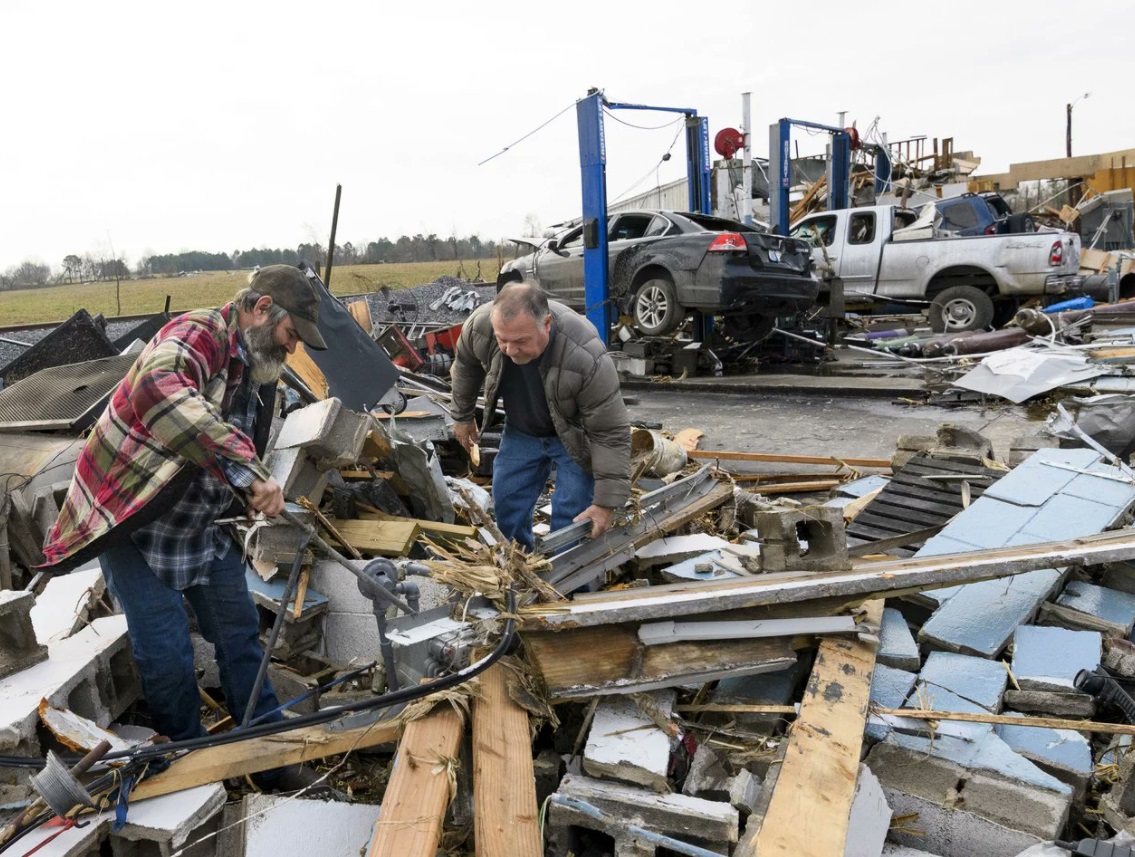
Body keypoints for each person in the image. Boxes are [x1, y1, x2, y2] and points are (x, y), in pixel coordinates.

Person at [41, 265, 327, 792]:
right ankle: (190, 769)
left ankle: (265, 754)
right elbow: (158, 389)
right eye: (290, 337)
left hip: (198, 523)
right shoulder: (198, 334)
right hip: (133, 518)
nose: (291, 352)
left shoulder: (257, 373)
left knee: (240, 633)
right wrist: (247, 471)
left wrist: (242, 489)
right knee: (166, 649)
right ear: (261, 309)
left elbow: (224, 444)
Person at [450, 281, 631, 550]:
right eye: (503, 340)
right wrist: (462, 416)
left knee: (571, 518)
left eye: (521, 341)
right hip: (521, 430)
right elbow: (465, 367)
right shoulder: (480, 327)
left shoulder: (584, 354)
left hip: (574, 433)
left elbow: (610, 432)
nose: (510, 351)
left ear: (546, 324)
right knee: (507, 504)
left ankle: (569, 585)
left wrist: (605, 504)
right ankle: (519, 569)